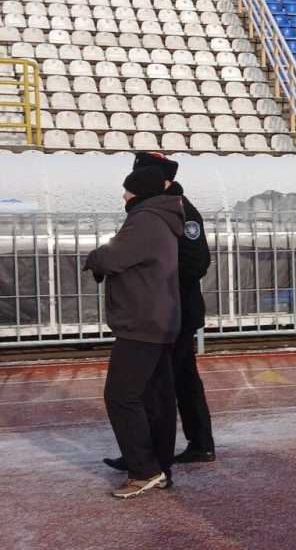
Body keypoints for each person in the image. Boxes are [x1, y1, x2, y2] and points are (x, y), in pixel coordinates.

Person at [104, 152, 215, 473]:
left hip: (173, 310)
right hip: (163, 310)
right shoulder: (153, 210)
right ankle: (169, 447)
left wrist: (154, 279)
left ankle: (176, 448)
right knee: (167, 381)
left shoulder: (181, 211)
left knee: (167, 382)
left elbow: (197, 263)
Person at [83, 166, 184, 498]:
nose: (123, 196)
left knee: (121, 395)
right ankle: (158, 467)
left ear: (139, 192)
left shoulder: (145, 219)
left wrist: (94, 257)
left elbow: (114, 257)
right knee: (155, 398)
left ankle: (144, 470)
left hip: (142, 322)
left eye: (127, 190)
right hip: (158, 319)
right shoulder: (161, 217)